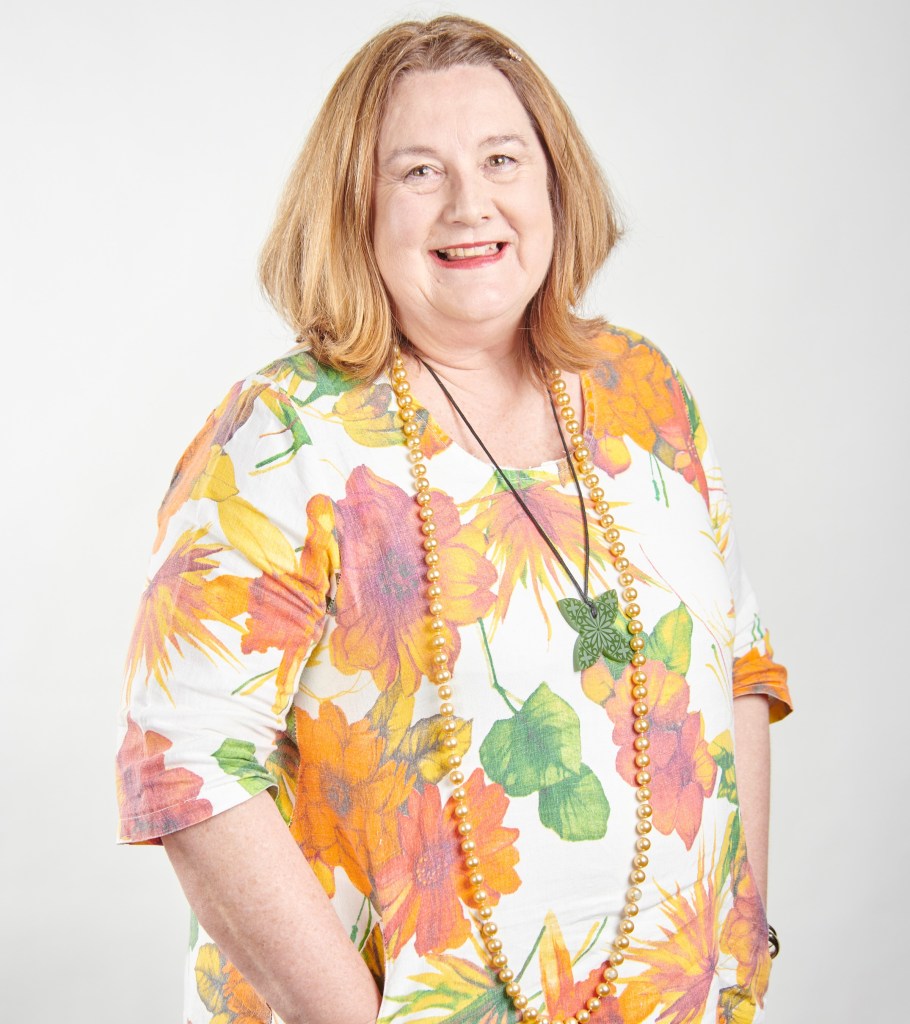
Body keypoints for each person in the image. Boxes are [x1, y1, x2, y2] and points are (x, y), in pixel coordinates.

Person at [116, 15, 792, 1024]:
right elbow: (185, 758)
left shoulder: (642, 392)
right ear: (354, 205)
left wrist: (739, 948)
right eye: (419, 171)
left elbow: (739, 665)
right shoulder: (285, 435)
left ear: (554, 183)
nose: (471, 204)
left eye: (501, 159)